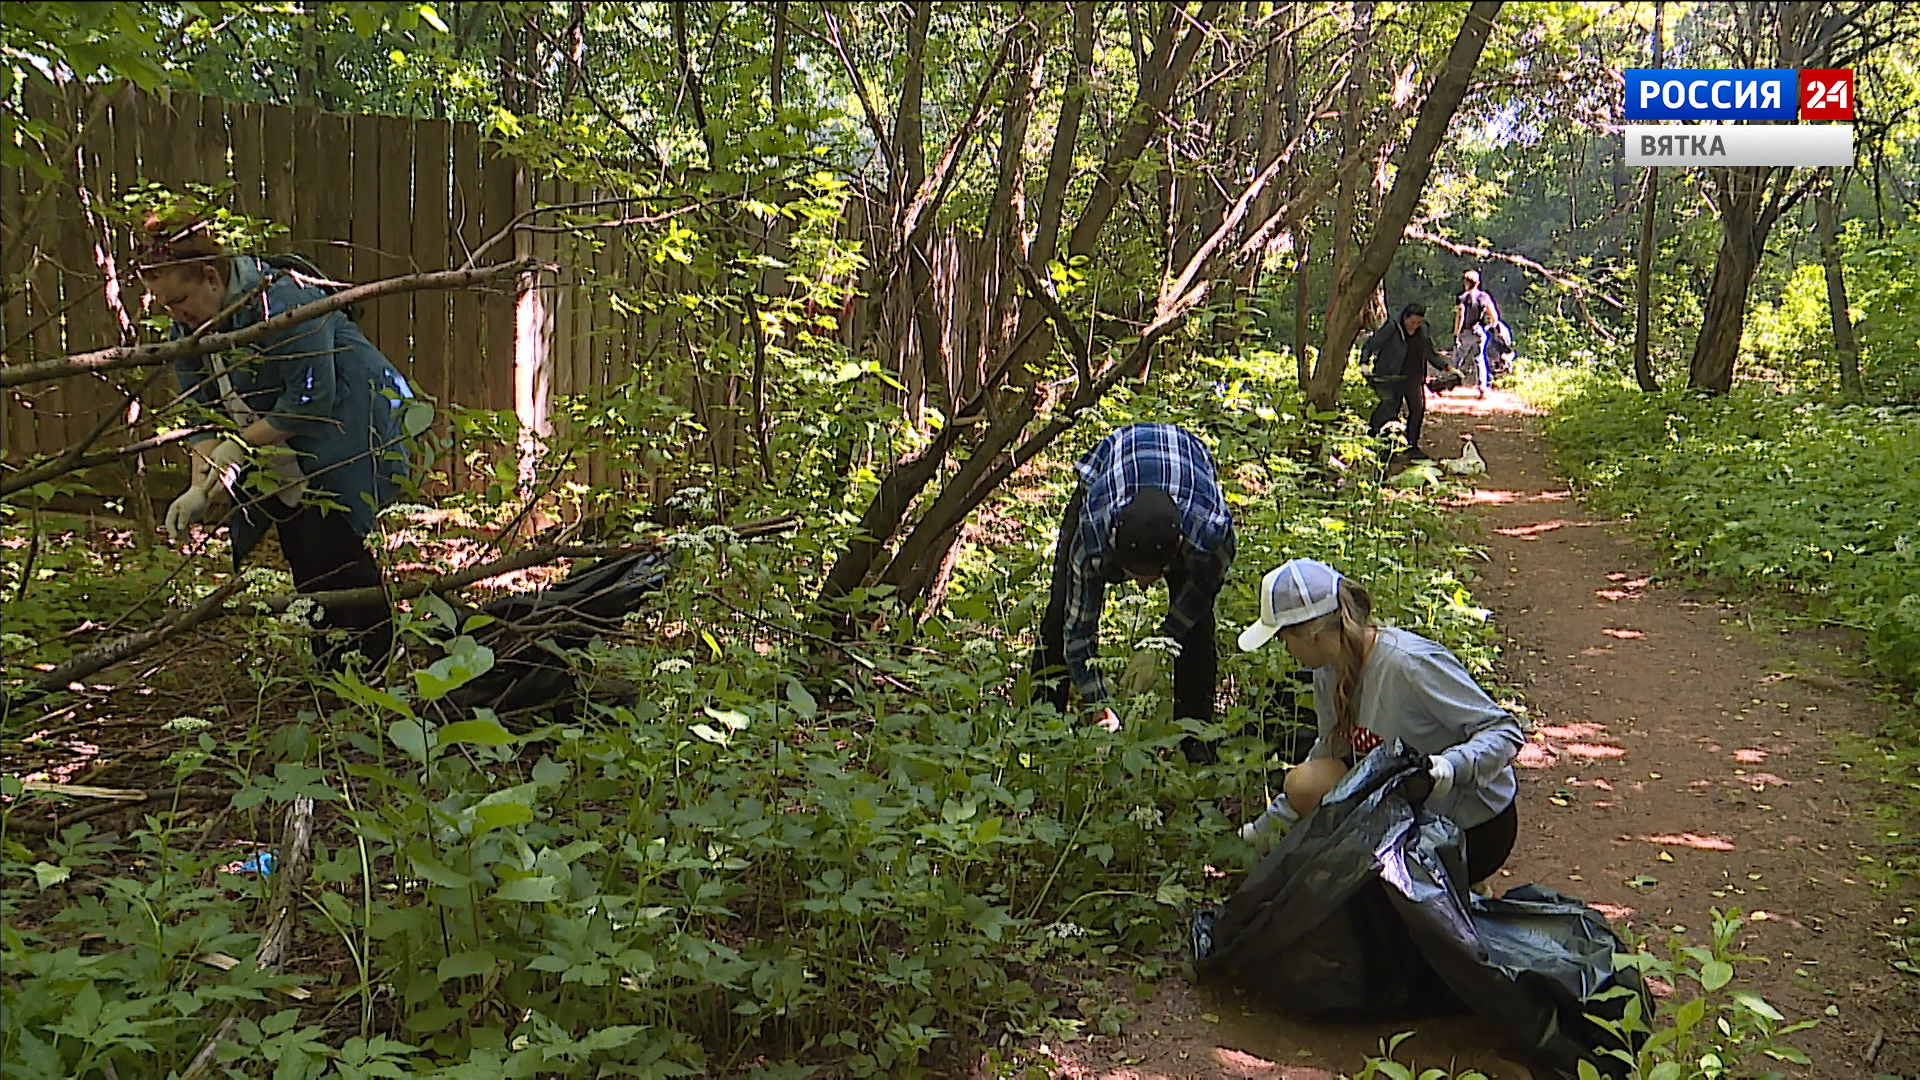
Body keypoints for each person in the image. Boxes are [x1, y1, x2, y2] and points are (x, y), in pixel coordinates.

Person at [137, 215, 414, 671]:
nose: (176, 314)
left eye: (180, 300)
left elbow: (311, 400)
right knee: (303, 554)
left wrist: (240, 446)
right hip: (278, 452)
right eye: (166, 306)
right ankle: (334, 671)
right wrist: (198, 488)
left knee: (336, 548)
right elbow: (202, 417)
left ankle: (375, 668)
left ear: (211, 276)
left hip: (343, 434)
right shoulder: (188, 332)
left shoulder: (284, 300)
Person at [1236, 558, 1523, 884]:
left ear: (1311, 633)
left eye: (1283, 637)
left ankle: (1458, 886)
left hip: (1473, 825)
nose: (1284, 648)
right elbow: (1329, 754)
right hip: (1405, 812)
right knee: (1305, 782)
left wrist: (1449, 767)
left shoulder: (1409, 664)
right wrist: (1269, 826)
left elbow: (1503, 731)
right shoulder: (1327, 671)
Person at [1032, 424, 1237, 764]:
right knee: (1058, 615)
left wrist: (1164, 641)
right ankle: (1041, 726)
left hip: (1188, 466)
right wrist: (1100, 706)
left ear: (1180, 547)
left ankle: (1196, 742)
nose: (1142, 587)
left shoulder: (1210, 533)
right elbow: (1078, 628)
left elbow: (1202, 592)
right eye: (1132, 575)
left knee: (1198, 633)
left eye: (1151, 576)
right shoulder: (1094, 533)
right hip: (1114, 459)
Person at [1361, 302, 1452, 459]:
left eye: (1418, 323)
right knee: (1389, 409)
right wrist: (1364, 362)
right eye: (1412, 322)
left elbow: (1431, 353)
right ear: (1405, 317)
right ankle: (1379, 444)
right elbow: (1372, 344)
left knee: (1418, 409)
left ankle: (1412, 446)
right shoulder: (1392, 327)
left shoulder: (1423, 330)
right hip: (1392, 376)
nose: (1414, 326)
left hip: (1414, 376)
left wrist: (1447, 368)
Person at [1452, 269, 1502, 399]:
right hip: (1479, 332)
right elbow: (1494, 317)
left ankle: (1446, 383)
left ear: (1466, 282)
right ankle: (1482, 389)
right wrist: (1488, 327)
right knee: (1479, 359)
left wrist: (1456, 333)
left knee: (1457, 358)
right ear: (1478, 283)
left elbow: (1460, 315)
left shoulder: (1462, 297)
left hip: (1465, 332)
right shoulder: (1484, 297)